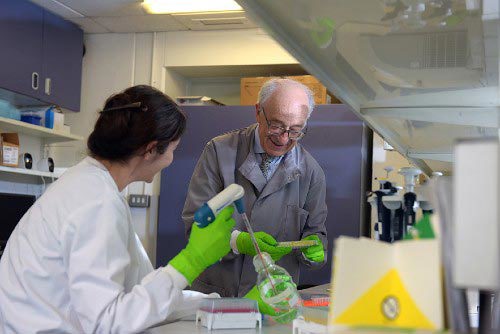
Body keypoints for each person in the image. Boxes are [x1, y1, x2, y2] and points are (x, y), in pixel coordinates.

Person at [0, 85, 236, 333]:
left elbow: (141, 298)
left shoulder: (92, 185)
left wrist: (219, 305)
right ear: (151, 149)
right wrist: (191, 260)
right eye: (173, 150)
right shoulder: (97, 202)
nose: (171, 160)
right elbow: (108, 322)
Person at [182, 78, 328, 298]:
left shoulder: (311, 172)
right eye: (276, 125)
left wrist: (315, 251)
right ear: (258, 111)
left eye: (295, 130)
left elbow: (316, 233)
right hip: (217, 295)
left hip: (274, 298)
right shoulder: (220, 152)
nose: (284, 138)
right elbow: (195, 223)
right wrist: (237, 241)